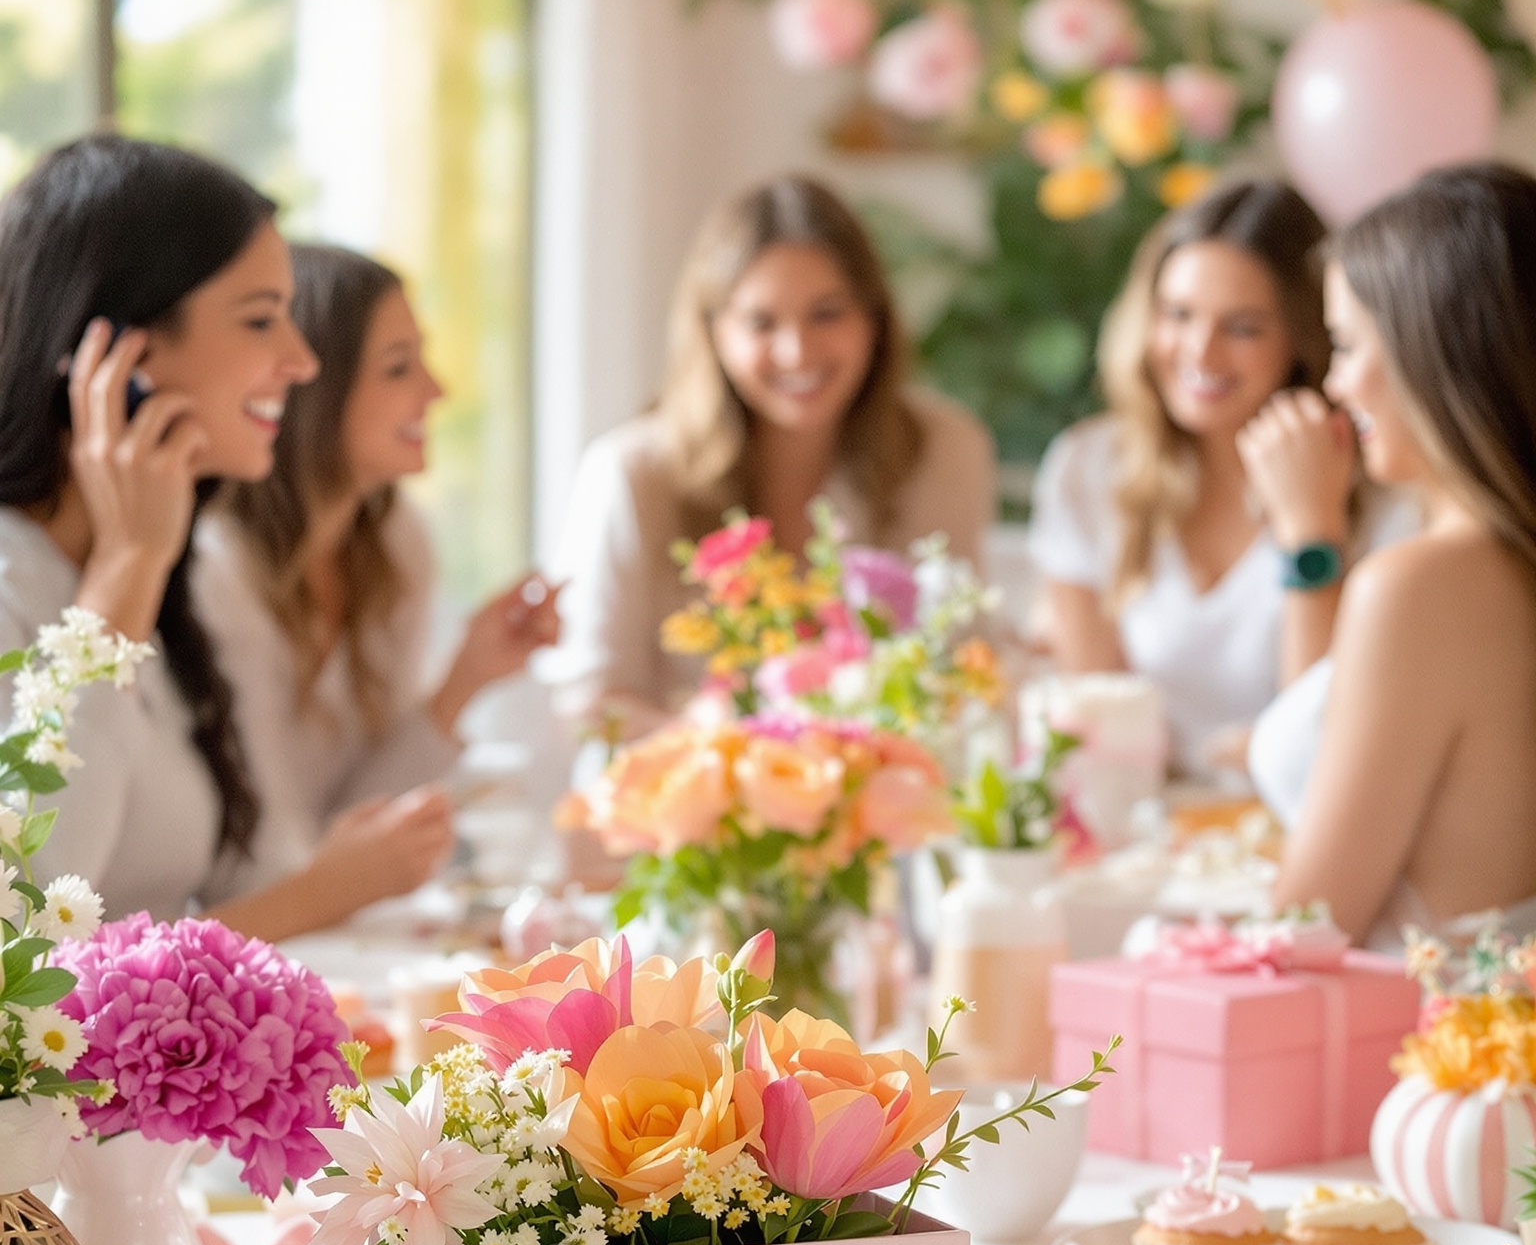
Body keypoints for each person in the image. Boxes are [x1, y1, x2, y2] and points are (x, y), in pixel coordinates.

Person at [0, 133, 456, 929]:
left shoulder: (165, 570)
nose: (300, 362)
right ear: (115, 348)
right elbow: (24, 929)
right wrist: (126, 571)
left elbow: (243, 877)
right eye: (260, 320)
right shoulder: (37, 574)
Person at [549, 173, 996, 729]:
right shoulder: (631, 472)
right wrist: (747, 759)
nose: (796, 351)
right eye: (761, 322)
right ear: (714, 331)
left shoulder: (944, 450)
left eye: (827, 314)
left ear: (874, 320)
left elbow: (954, 667)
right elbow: (587, 702)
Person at [193, 242, 559, 897]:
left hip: (335, 922)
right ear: (312, 388)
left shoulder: (395, 545)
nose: (435, 390)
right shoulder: (219, 573)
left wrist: (467, 677)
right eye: (399, 369)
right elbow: (268, 864)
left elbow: (358, 825)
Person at [1029, 178, 1413, 780]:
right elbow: (1098, 725)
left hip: (1305, 830)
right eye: (1178, 315)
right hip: (1147, 820)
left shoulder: (1383, 492)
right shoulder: (1087, 468)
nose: (1200, 354)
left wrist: (1311, 530)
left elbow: (1318, 754)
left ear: (1302, 340)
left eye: (1244, 327)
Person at [1250, 162, 1536, 950]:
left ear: (1430, 352)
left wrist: (1307, 539)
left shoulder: (1421, 585)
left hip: (1430, 1050)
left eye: (1345, 345)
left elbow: (1306, 929)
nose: (1336, 384)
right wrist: (1309, 531)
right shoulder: (1496, 566)